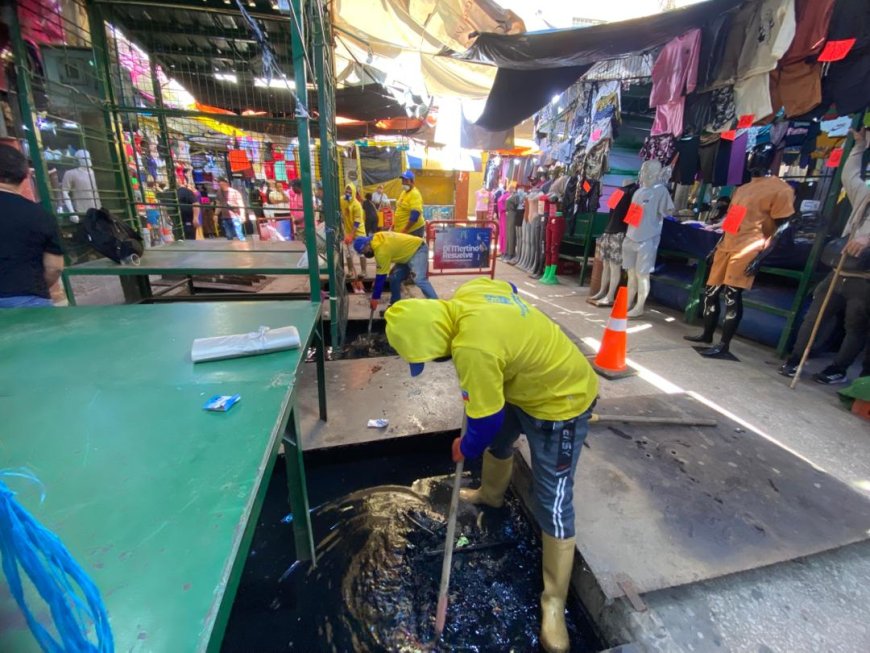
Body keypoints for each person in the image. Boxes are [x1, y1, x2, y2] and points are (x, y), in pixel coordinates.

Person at [383, 278, 598, 653]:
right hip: (523, 385)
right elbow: (510, 286)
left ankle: (554, 601)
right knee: (500, 442)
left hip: (562, 400)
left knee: (553, 499)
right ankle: (492, 494)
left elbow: (484, 422)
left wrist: (463, 447)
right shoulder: (469, 293)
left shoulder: (472, 348)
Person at [780, 128, 870, 382]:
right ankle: (795, 360)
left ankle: (838, 369)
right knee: (814, 317)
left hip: (864, 278)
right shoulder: (865, 196)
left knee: (855, 326)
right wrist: (859, 146)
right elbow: (849, 176)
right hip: (840, 270)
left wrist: (868, 239)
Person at [0, 144, 65, 308]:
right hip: (28, 300)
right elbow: (54, 267)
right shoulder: (41, 216)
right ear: (25, 175)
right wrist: (34, 289)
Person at [353, 231, 437, 311]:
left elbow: (381, 276)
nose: (365, 254)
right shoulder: (376, 237)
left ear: (367, 244)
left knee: (419, 279)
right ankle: (395, 304)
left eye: (364, 251)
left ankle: (437, 306)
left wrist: (375, 298)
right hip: (405, 254)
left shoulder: (381, 252)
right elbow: (393, 249)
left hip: (417, 250)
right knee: (394, 277)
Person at [341, 183, 367, 293]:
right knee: (348, 253)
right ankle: (351, 271)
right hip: (348, 230)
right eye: (346, 191)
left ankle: (364, 271)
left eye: (350, 192)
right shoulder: (342, 200)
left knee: (362, 252)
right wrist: (347, 234)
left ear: (354, 193)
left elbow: (356, 223)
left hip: (359, 231)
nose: (348, 193)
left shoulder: (357, 205)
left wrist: (351, 235)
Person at [393, 169, 425, 237]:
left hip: (412, 231)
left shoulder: (414, 194)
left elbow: (415, 215)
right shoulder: (404, 193)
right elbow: (399, 208)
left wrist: (405, 230)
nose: (403, 183)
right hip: (402, 230)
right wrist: (394, 224)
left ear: (412, 181)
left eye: (406, 181)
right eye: (402, 180)